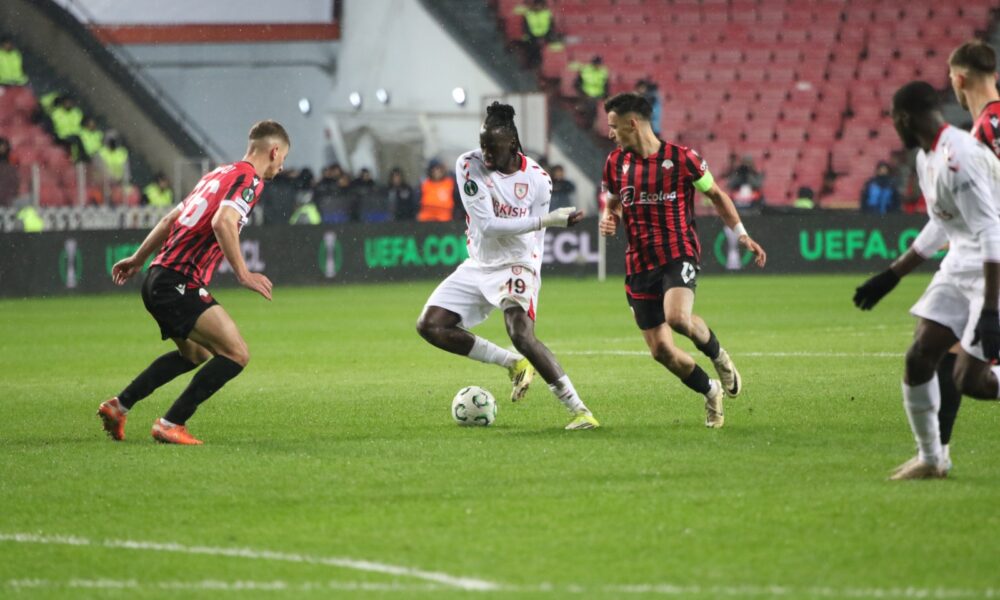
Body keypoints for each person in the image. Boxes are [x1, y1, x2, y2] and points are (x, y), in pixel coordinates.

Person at [96, 120, 290, 445]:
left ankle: (120, 405)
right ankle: (171, 422)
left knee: (195, 355)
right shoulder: (250, 180)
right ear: (273, 151)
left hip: (157, 278)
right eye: (283, 157)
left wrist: (139, 259)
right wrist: (244, 273)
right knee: (236, 354)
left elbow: (169, 219)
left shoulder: (218, 174)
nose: (282, 166)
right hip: (178, 281)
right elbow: (222, 222)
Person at [416, 102, 600, 430]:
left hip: (517, 263)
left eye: (493, 147)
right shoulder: (468, 165)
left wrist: (531, 271)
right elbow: (488, 226)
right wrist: (547, 220)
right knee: (430, 326)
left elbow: (537, 238)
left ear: (512, 143)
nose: (486, 154)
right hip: (478, 263)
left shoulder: (539, 180)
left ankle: (581, 411)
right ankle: (514, 364)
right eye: (483, 145)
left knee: (521, 334)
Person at [852, 81, 1000, 479]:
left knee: (970, 380)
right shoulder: (926, 158)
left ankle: (934, 458)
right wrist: (891, 276)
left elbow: (992, 231)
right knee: (919, 356)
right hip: (960, 263)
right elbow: (940, 224)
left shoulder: (960, 156)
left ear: (903, 118)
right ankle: (932, 459)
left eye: (893, 120)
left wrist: (990, 309)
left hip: (993, 264)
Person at [599, 92, 767, 428]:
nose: (610, 133)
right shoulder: (615, 163)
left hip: (678, 252)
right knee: (661, 351)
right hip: (639, 263)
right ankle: (710, 390)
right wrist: (610, 217)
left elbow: (716, 194)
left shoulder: (682, 159)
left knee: (677, 318)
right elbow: (614, 202)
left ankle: (718, 354)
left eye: (614, 126)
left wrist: (741, 233)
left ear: (632, 124)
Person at [516, 0, 558, 69]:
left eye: (540, 5)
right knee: (530, 46)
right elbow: (525, 26)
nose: (538, 7)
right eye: (537, 5)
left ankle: (534, 63)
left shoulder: (547, 13)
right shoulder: (529, 14)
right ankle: (530, 63)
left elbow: (551, 26)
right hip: (533, 38)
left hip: (543, 37)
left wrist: (546, 37)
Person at [573, 55, 609, 126]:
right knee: (590, 105)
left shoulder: (604, 72)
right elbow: (576, 84)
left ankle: (593, 123)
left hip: (599, 95)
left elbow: (606, 86)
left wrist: (605, 96)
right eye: (596, 64)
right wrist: (583, 94)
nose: (597, 66)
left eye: (598, 64)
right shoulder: (585, 70)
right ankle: (587, 123)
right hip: (586, 95)